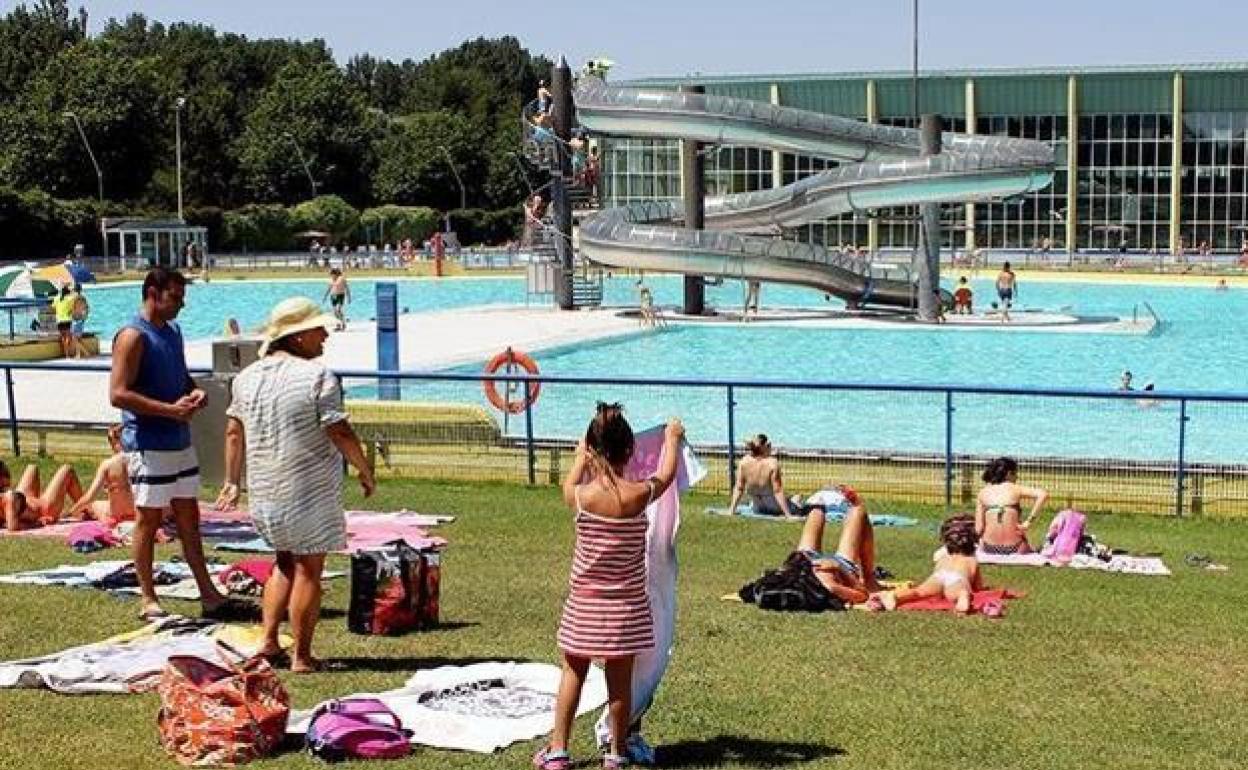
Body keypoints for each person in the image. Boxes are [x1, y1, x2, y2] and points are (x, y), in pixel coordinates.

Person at [217, 297, 375, 673]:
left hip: (266, 492)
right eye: (318, 330)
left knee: (283, 563)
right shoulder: (318, 377)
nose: (324, 336)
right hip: (307, 490)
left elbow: (233, 433)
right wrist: (364, 468)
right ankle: (302, 656)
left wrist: (231, 482)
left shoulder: (246, 378)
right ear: (298, 336)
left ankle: (270, 639)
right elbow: (338, 429)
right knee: (309, 569)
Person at [534, 406, 684, 770]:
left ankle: (558, 751)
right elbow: (664, 476)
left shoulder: (580, 496)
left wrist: (578, 457)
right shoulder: (638, 496)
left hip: (584, 606)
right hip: (625, 609)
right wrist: (671, 440)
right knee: (620, 684)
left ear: (592, 451)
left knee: (574, 674)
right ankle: (615, 754)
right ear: (630, 451)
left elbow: (571, 481)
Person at [110, 267, 236, 622]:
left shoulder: (173, 332)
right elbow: (118, 394)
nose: (181, 305)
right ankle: (148, 598)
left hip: (179, 440)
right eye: (175, 297)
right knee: (148, 520)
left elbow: (180, 377)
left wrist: (193, 390)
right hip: (148, 443)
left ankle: (208, 593)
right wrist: (169, 410)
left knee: (189, 517)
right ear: (153, 292)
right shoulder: (133, 336)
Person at [786, 485, 882, 604]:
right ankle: (868, 578)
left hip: (803, 562)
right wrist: (838, 568)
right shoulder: (829, 587)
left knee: (855, 511)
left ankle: (818, 503)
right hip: (811, 562)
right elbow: (862, 595)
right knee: (858, 510)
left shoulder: (822, 585)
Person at [869, 515, 982, 613]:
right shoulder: (971, 560)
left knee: (918, 592)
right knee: (961, 592)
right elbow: (977, 586)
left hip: (939, 576)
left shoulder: (943, 558)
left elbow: (936, 571)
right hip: (958, 579)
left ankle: (895, 596)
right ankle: (963, 598)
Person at [975, 457, 1049, 556]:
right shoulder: (1015, 488)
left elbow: (978, 529)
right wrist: (1028, 522)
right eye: (1015, 474)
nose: (1017, 477)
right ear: (1009, 474)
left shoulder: (983, 493)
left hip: (989, 547)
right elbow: (1043, 494)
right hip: (1016, 547)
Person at [69, 425, 137, 524]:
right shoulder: (140, 460)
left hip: (117, 514)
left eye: (110, 439)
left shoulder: (108, 464)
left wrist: (71, 512)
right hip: (139, 512)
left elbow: (89, 497)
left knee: (95, 504)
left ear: (114, 440)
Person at [727, 434, 799, 518]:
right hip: (775, 507)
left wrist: (731, 510)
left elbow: (739, 488)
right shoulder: (772, 463)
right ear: (766, 446)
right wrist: (788, 515)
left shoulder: (744, 461)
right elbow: (778, 491)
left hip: (757, 507)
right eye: (769, 446)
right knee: (797, 498)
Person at [2, 462, 86, 531]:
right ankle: (85, 509)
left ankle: (84, 508)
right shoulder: (9, 498)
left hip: (24, 501)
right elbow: (13, 527)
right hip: (44, 510)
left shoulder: (9, 497)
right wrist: (38, 523)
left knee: (32, 467)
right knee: (67, 470)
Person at [53, 285, 76, 358]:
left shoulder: (56, 298)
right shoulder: (69, 299)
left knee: (63, 338)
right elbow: (74, 300)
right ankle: (67, 354)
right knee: (68, 337)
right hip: (67, 320)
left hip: (59, 320)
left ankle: (66, 354)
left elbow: (53, 306)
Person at [69, 285, 90, 359]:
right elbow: (87, 308)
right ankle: (78, 354)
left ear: (75, 290)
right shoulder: (83, 298)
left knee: (74, 338)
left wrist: (71, 314)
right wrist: (85, 317)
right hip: (81, 319)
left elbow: (72, 309)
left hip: (76, 319)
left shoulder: (75, 298)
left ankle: (86, 352)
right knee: (79, 338)